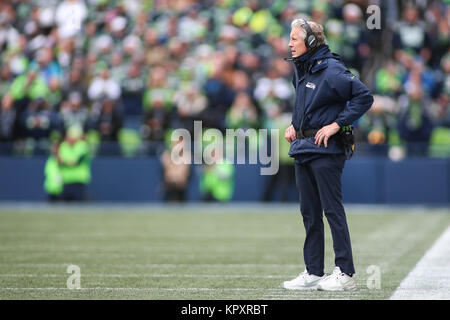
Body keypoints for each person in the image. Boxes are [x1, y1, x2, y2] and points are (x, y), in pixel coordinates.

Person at [282, 19, 373, 291]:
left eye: (295, 39)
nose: (289, 43)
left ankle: (345, 273)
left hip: (325, 150)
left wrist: (337, 124)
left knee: (332, 211)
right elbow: (309, 106)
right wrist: (294, 125)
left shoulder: (332, 70)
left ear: (310, 42)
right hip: (304, 147)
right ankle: (313, 271)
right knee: (309, 213)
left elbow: (364, 97)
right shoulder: (303, 69)